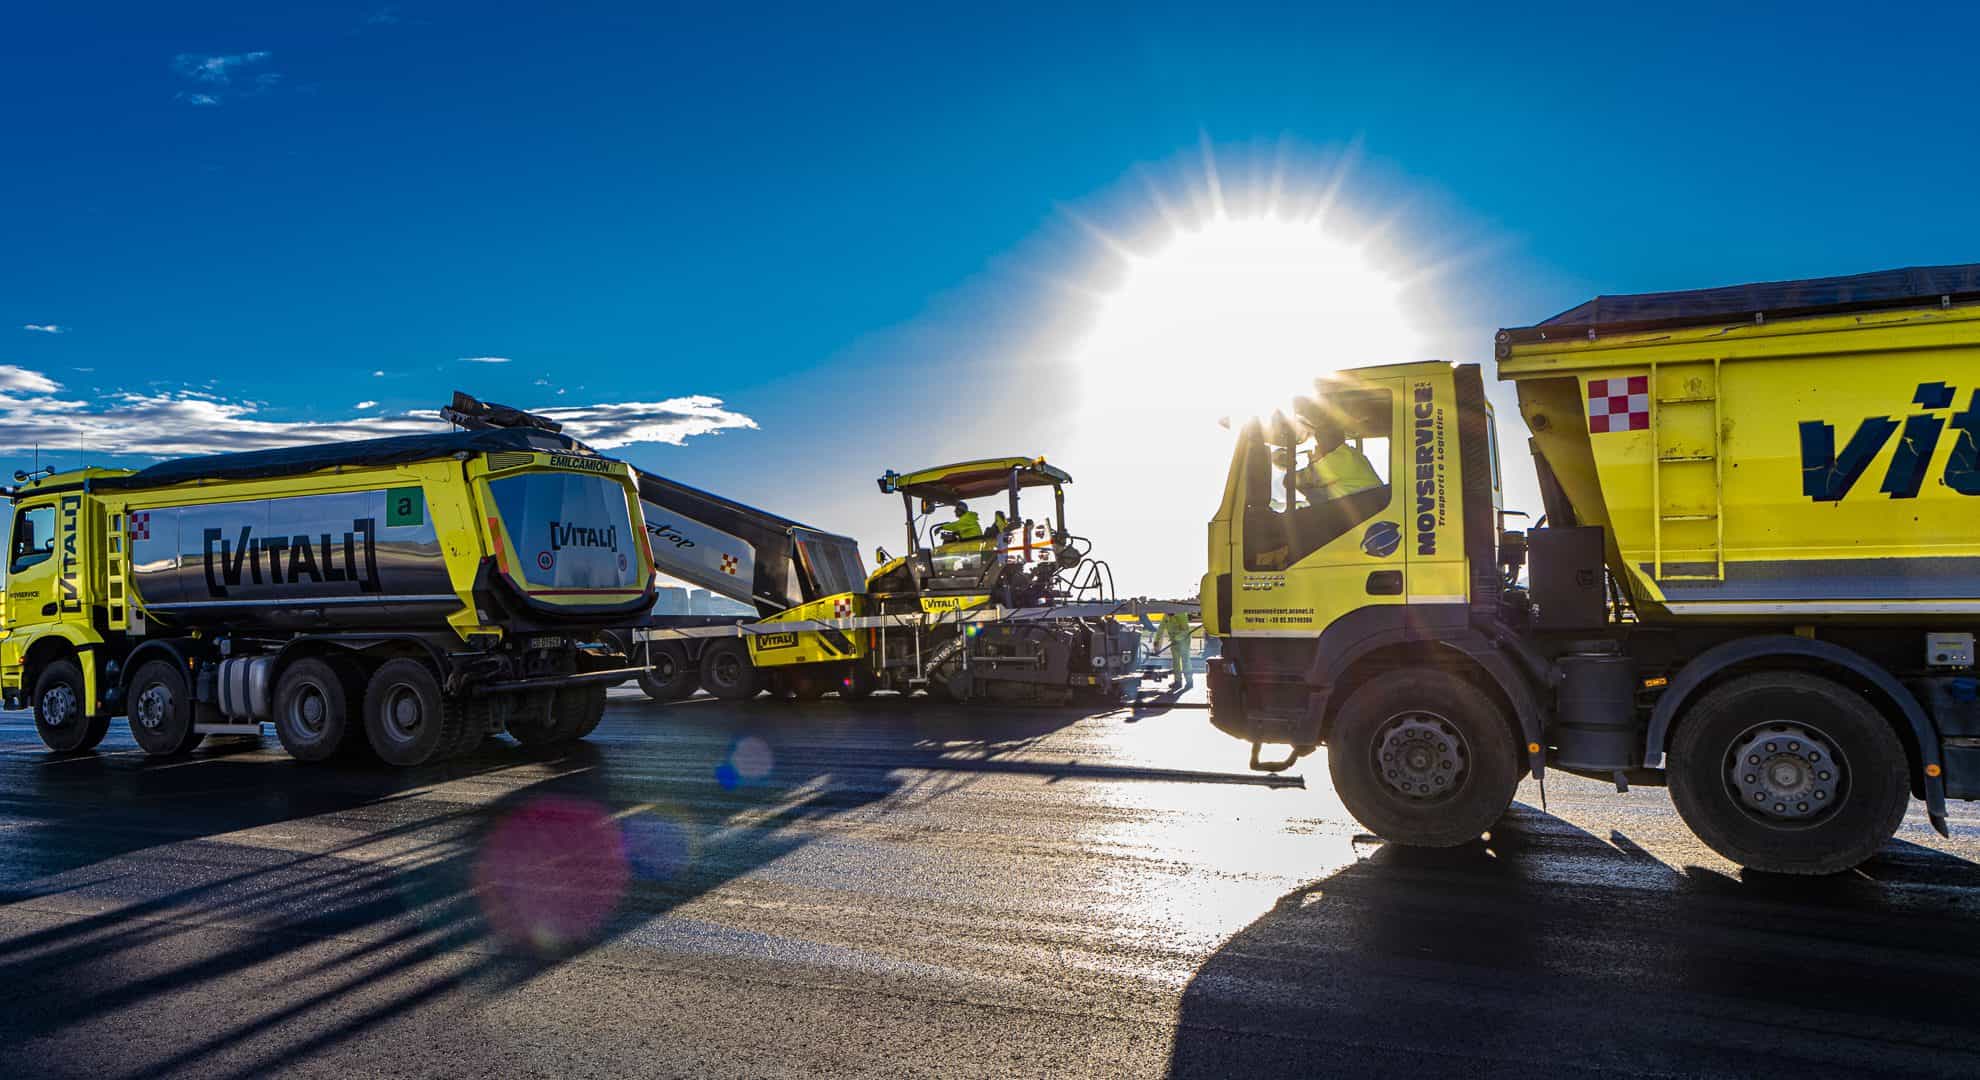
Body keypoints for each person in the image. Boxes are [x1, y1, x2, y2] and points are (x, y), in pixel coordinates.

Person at [1288, 419, 1382, 503]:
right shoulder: (1351, 454)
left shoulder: (1336, 460)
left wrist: (1314, 460)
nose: (1319, 445)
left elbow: (1293, 480)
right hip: (1368, 505)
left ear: (1324, 442)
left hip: (1362, 509)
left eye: (1319, 441)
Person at [1160, 611, 1195, 691]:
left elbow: (1185, 631)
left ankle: (1189, 682)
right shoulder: (1166, 616)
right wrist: (1156, 642)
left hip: (1184, 641)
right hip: (1174, 642)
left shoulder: (1181, 614)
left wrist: (1177, 638)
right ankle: (1178, 682)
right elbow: (1160, 629)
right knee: (1175, 662)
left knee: (1185, 661)